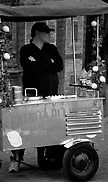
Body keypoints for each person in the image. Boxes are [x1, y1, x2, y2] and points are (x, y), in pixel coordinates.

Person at [9, 22, 63, 173]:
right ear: (38, 33)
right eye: (47, 32)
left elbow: (59, 65)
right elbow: (30, 68)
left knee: (49, 126)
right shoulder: (26, 50)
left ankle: (45, 157)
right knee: (26, 127)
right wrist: (48, 63)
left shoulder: (51, 48)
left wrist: (41, 63)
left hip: (51, 94)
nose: (50, 35)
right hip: (32, 95)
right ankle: (17, 159)